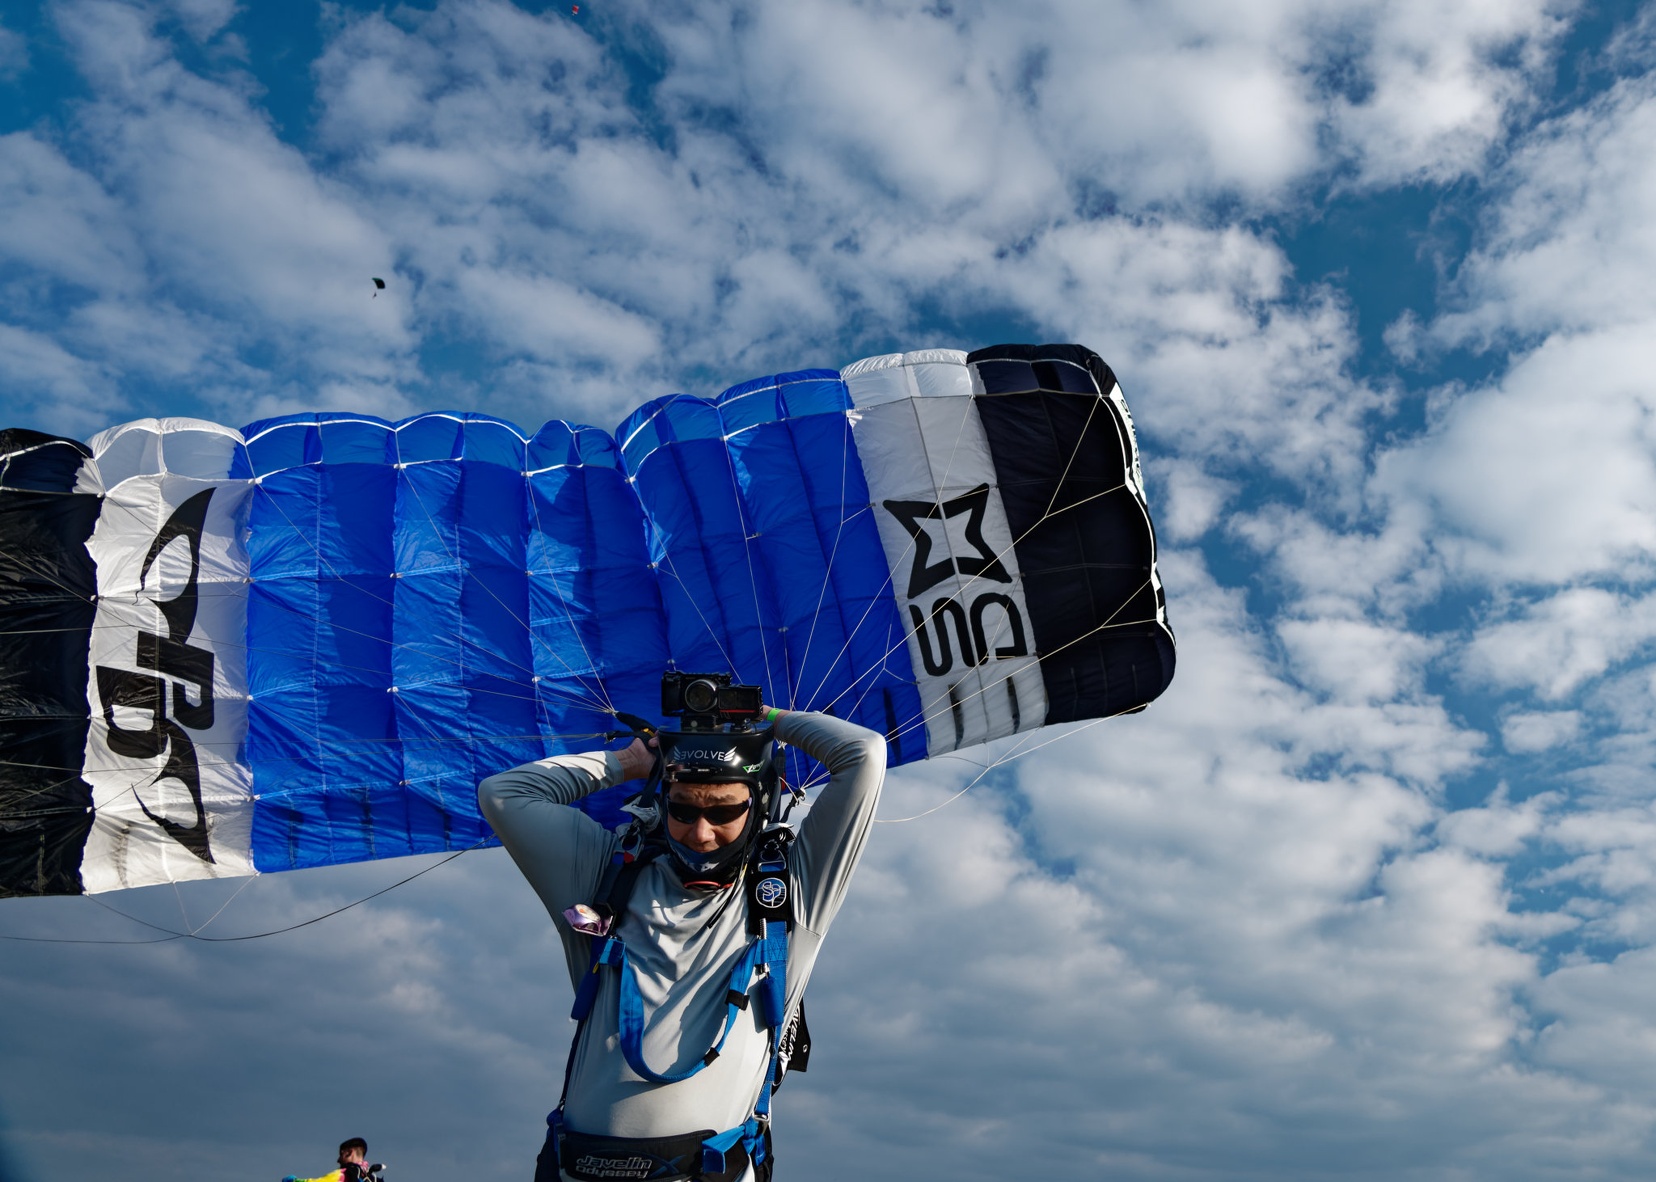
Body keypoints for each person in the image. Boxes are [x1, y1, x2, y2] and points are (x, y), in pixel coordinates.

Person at [478, 700, 886, 1182]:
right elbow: (504, 794)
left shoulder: (794, 891)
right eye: (684, 808)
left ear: (758, 804)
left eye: (724, 810)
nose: (701, 832)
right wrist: (628, 763)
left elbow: (863, 753)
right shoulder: (604, 873)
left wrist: (765, 718)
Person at [281, 1137, 381, 1182]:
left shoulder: (344, 1174)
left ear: (350, 1152)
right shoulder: (372, 1178)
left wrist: (294, 1180)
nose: (338, 1160)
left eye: (341, 1154)